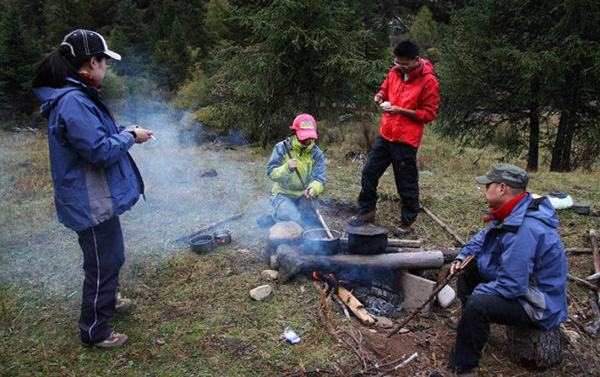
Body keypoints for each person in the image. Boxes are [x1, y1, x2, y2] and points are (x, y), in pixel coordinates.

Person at [32, 29, 154, 349]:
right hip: (89, 199)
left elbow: (96, 135)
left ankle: (107, 302)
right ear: (91, 62)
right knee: (102, 262)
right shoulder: (73, 101)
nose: (106, 68)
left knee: (111, 256)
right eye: (104, 61)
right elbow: (99, 151)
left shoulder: (80, 96)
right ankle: (95, 330)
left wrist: (126, 130)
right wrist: (130, 138)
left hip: (97, 197)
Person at [448, 164, 568, 377]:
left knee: (478, 305)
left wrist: (479, 295)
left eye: (488, 186)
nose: (485, 191)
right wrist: (461, 258)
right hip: (522, 286)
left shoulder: (525, 229)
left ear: (502, 189)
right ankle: (471, 325)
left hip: (537, 303)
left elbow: (512, 285)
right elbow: (483, 239)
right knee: (469, 270)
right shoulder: (514, 211)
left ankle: (464, 368)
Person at [348, 40, 439, 236]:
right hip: (386, 133)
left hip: (406, 140)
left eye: (404, 64)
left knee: (405, 182)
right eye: (398, 63)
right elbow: (385, 88)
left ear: (416, 60)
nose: (400, 67)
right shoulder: (394, 72)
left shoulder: (428, 81)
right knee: (369, 172)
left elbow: (429, 114)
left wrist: (402, 111)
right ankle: (367, 210)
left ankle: (408, 220)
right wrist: (380, 95)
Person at [267, 114, 326, 229]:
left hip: (304, 195)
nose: (308, 140)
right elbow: (271, 172)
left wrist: (313, 188)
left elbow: (319, 178)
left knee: (309, 216)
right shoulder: (282, 148)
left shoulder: (316, 153)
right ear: (294, 133)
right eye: (304, 138)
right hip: (283, 193)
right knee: (288, 214)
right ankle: (274, 215)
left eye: (310, 137)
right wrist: (286, 169)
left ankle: (298, 216)